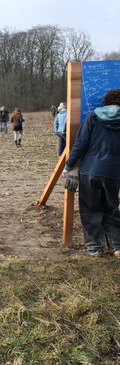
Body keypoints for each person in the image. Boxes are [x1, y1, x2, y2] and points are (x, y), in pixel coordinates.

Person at [63, 88, 120, 257]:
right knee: (112, 208)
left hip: (90, 170)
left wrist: (69, 165)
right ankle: (116, 246)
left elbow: (80, 143)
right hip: (114, 172)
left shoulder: (93, 117)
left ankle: (94, 248)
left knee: (90, 209)